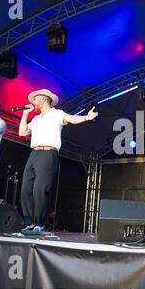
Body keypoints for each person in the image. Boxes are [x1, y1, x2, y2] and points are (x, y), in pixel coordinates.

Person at [18, 89, 98, 234]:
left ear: (43, 99)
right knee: (25, 189)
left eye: (35, 100)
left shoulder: (57, 114)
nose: (33, 103)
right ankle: (29, 222)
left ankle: (39, 224)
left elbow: (72, 119)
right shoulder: (36, 119)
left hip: (48, 153)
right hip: (34, 153)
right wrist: (25, 114)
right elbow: (22, 132)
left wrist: (86, 117)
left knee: (39, 189)